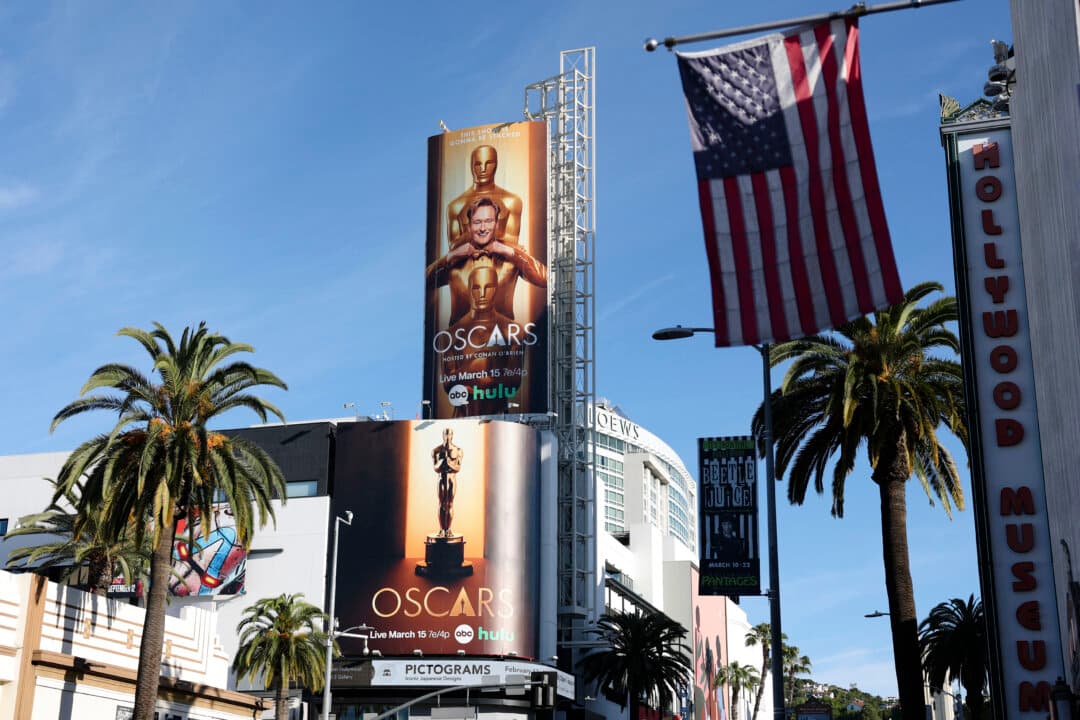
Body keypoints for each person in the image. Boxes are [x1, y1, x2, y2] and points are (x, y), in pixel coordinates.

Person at [426, 197, 547, 325]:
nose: (483, 228)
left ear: (497, 224)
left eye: (488, 221)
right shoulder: (453, 261)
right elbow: (425, 283)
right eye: (477, 222)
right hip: (460, 340)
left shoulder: (512, 256)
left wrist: (511, 253)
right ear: (469, 226)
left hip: (503, 338)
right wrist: (451, 256)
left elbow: (545, 279)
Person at [443, 266, 523, 416]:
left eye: (489, 287)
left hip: (499, 414)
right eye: (476, 288)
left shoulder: (512, 330)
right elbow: (447, 382)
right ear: (468, 290)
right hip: (462, 415)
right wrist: (478, 365)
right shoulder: (452, 333)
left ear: (497, 289)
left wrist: (480, 378)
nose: (482, 294)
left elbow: (515, 379)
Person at [445, 145, 523, 249]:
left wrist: (473, 235)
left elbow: (513, 244)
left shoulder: (512, 202)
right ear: (471, 166)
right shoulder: (456, 206)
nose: (483, 169)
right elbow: (453, 248)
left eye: (489, 163)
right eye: (478, 164)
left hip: (501, 264)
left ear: (496, 165)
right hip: (468, 264)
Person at [432, 427, 463, 536]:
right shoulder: (436, 450)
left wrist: (448, 463)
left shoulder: (458, 450)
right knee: (441, 503)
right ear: (443, 435)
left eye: (449, 434)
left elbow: (458, 468)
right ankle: (442, 529)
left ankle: (448, 529)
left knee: (449, 503)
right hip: (441, 478)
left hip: (451, 479)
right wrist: (442, 462)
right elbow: (436, 468)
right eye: (445, 434)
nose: (447, 437)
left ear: (452, 435)